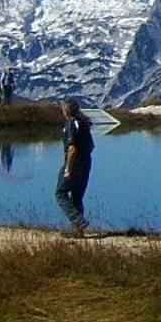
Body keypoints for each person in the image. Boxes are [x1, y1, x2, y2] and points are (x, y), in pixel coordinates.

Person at [56, 97, 95, 232]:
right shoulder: (85, 124)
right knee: (77, 196)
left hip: (75, 163)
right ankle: (79, 232)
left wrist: (68, 168)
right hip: (86, 162)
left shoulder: (71, 124)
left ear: (66, 111)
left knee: (60, 193)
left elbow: (72, 148)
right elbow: (91, 146)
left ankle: (78, 222)